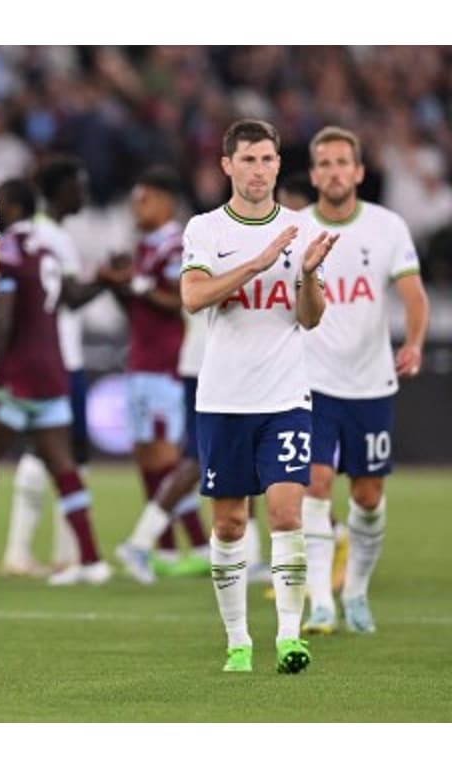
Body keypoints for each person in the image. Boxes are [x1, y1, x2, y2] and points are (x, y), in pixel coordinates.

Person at [179, 118, 338, 674]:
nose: (258, 170)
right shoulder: (206, 229)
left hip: (285, 396)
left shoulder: (300, 229)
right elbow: (195, 296)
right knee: (228, 525)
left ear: (277, 165)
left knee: (286, 512)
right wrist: (255, 264)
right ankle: (237, 639)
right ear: (227, 165)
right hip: (223, 398)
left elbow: (310, 320)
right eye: (247, 160)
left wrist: (310, 277)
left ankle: (290, 637)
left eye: (267, 160)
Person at [299, 126, 429, 635]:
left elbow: (414, 296)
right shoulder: (297, 229)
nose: (334, 172)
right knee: (315, 483)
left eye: (342, 163)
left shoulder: (387, 227)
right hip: (311, 381)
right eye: (324, 163)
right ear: (313, 175)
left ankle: (355, 591)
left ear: (358, 172)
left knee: (368, 496)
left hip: (371, 382)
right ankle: (321, 602)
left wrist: (414, 341)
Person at [0, 178, 111, 586]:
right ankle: (90, 560)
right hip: (53, 370)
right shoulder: (46, 247)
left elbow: (3, 320)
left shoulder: (10, 252)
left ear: (14, 207)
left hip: (17, 376)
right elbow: (69, 297)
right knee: (62, 464)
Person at [104, 166, 212, 584]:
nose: (136, 207)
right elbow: (138, 305)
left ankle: (194, 546)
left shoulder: (177, 246)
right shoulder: (146, 248)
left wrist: (137, 284)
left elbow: (180, 302)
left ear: (165, 202)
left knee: (173, 460)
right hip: (142, 361)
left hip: (170, 364)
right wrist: (120, 284)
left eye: (143, 200)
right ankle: (166, 549)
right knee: (149, 458)